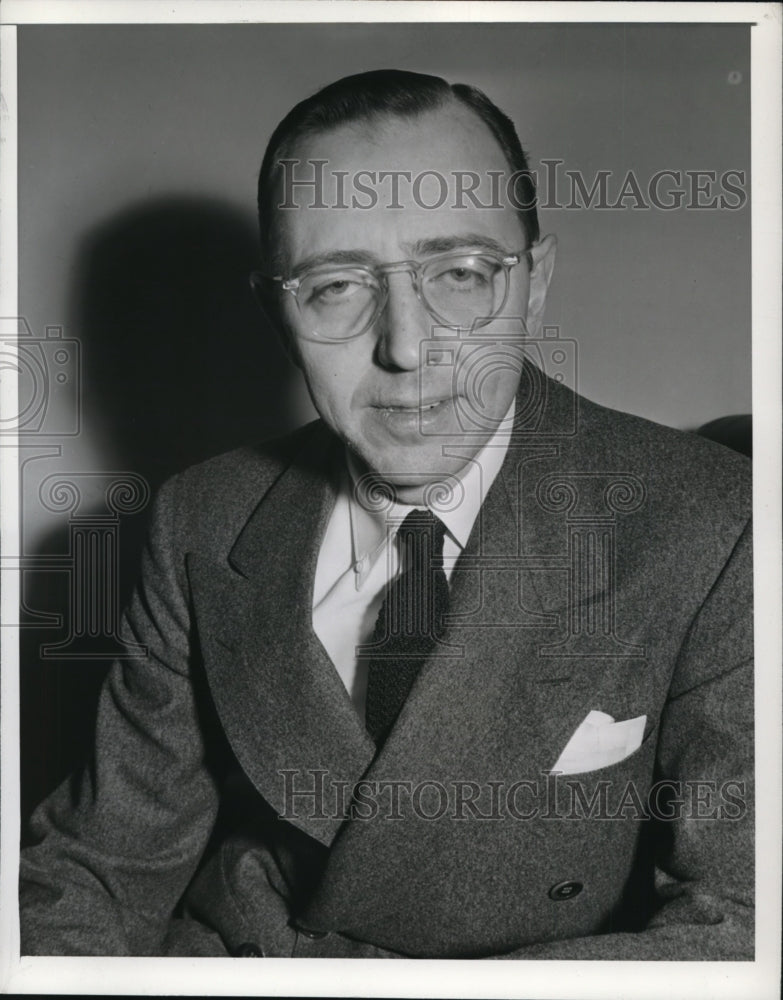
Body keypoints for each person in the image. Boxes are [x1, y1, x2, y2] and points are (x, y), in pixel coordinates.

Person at [20, 69, 753, 960]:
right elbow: (99, 869)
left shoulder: (716, 523)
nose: (405, 346)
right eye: (335, 286)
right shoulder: (200, 522)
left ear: (534, 285)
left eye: (460, 273)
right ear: (276, 314)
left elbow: (738, 925)